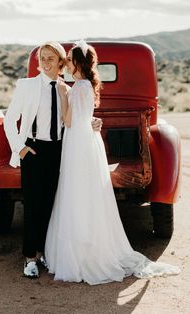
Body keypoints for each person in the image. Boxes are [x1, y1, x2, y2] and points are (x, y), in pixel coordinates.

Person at [45, 40, 180, 285]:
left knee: (76, 189)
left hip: (78, 140)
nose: (66, 65)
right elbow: (86, 116)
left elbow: (69, 121)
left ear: (76, 63)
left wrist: (63, 95)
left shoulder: (76, 88)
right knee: (86, 191)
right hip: (87, 139)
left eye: (69, 61)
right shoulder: (86, 85)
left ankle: (82, 250)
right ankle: (88, 242)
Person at [4, 41, 102, 279]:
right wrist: (21, 148)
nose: (45, 62)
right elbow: (10, 119)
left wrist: (93, 122)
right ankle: (29, 258)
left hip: (61, 150)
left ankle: (45, 252)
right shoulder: (26, 86)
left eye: (51, 58)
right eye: (42, 58)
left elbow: (76, 117)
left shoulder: (68, 88)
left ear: (61, 63)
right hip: (34, 150)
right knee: (34, 206)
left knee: (52, 205)